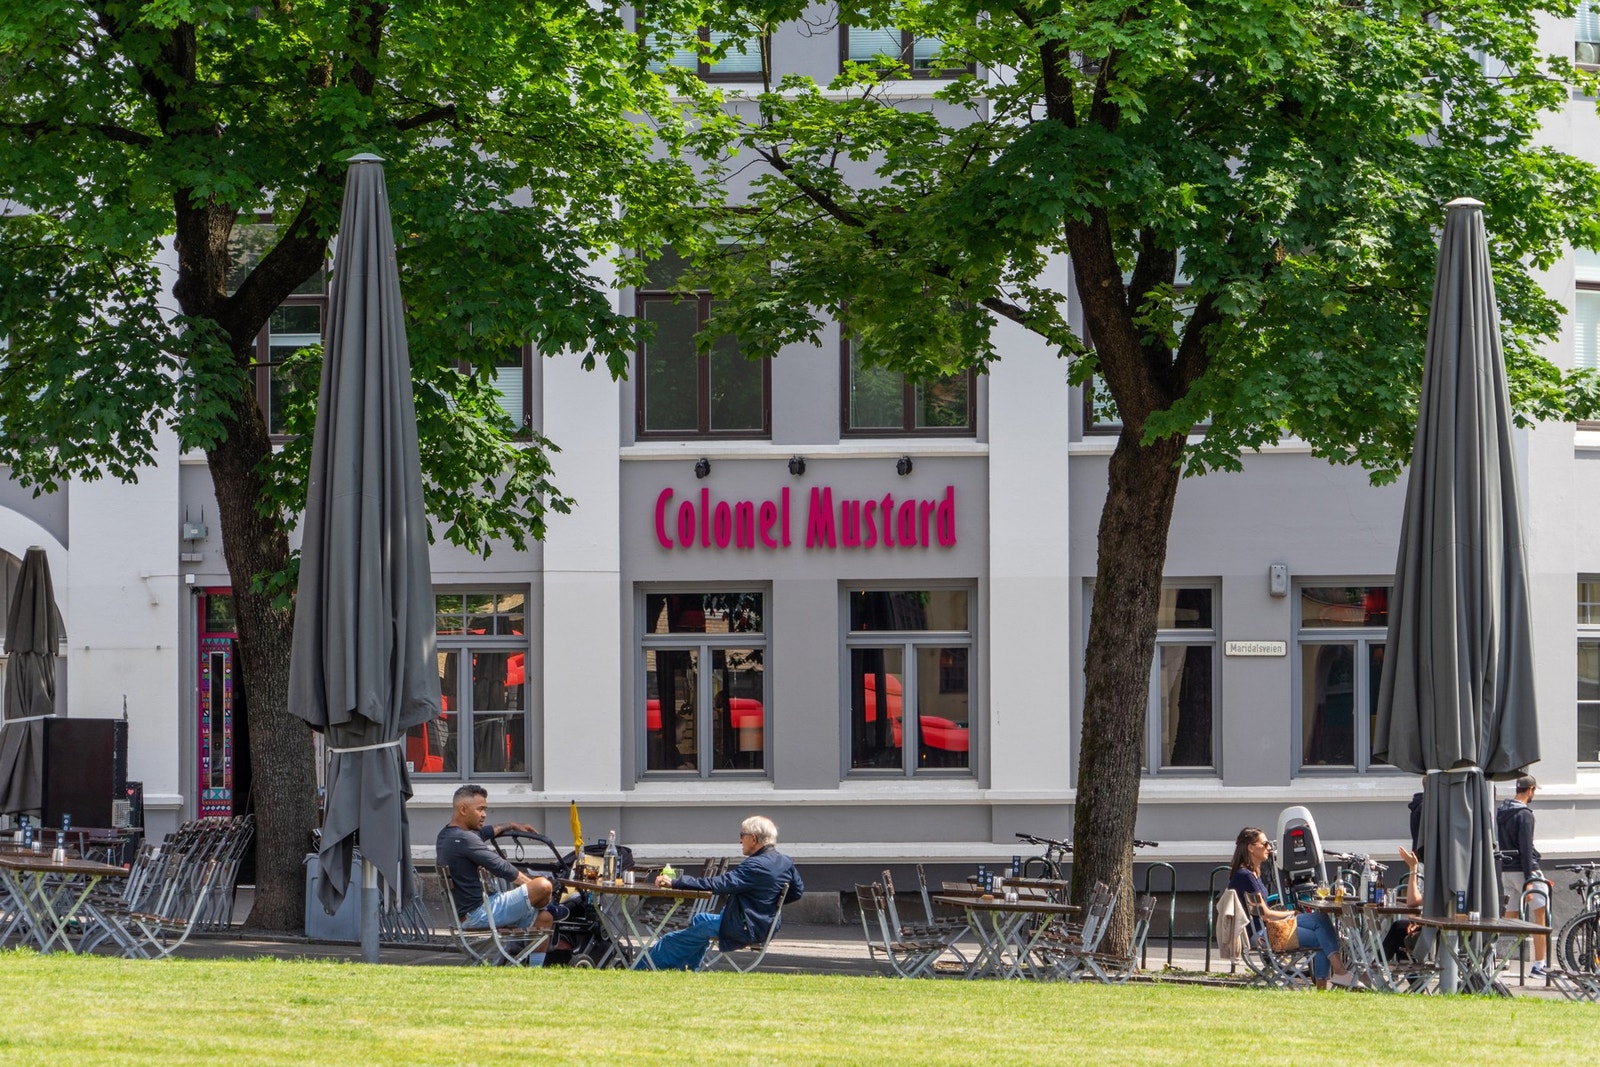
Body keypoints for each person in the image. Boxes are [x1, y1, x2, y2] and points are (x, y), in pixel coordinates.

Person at [636, 814, 804, 971]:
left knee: (671, 939)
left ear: (753, 839)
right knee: (699, 918)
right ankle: (689, 967)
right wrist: (766, 905)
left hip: (744, 927)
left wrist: (675, 882)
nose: (740, 840)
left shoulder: (755, 865)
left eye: (742, 835)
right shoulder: (785, 861)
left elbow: (719, 884)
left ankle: (643, 968)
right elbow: (797, 892)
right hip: (766, 925)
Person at [436, 784, 564, 952]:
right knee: (543, 885)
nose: (484, 815)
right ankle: (547, 904)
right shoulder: (465, 839)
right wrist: (533, 888)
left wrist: (511, 825)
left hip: (475, 912)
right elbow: (501, 867)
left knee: (545, 918)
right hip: (480, 913)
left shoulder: (447, 835)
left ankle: (535, 970)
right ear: (463, 809)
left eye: (485, 809)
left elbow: (488, 831)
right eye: (480, 809)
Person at [1228, 826, 1354, 989]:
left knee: (1321, 919)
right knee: (1323, 935)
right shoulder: (1246, 876)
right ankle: (1335, 977)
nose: (1269, 848)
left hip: (1267, 930)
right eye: (1265, 844)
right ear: (1251, 848)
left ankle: (1337, 976)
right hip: (1263, 935)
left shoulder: (1249, 874)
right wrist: (1292, 913)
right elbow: (1266, 915)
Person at [1498, 774, 1548, 975]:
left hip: (1507, 871)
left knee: (1510, 917)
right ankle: (1539, 964)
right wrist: (1530, 880)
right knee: (1541, 916)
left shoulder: (1502, 812)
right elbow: (1526, 849)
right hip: (1525, 870)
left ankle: (1502, 962)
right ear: (1530, 790)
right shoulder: (1525, 815)